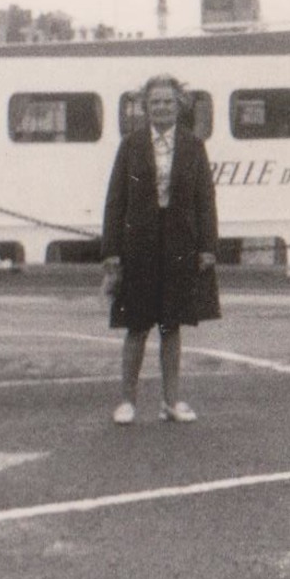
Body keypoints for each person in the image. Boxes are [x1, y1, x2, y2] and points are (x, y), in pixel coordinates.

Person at [101, 73, 220, 425]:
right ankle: (127, 402)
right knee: (136, 325)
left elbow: (205, 200)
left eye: (168, 101)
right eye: (155, 102)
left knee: (171, 326)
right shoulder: (131, 145)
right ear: (145, 107)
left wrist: (207, 246)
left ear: (179, 105)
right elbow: (115, 200)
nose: (162, 107)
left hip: (180, 244)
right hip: (138, 243)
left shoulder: (193, 145)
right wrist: (111, 251)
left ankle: (171, 402)